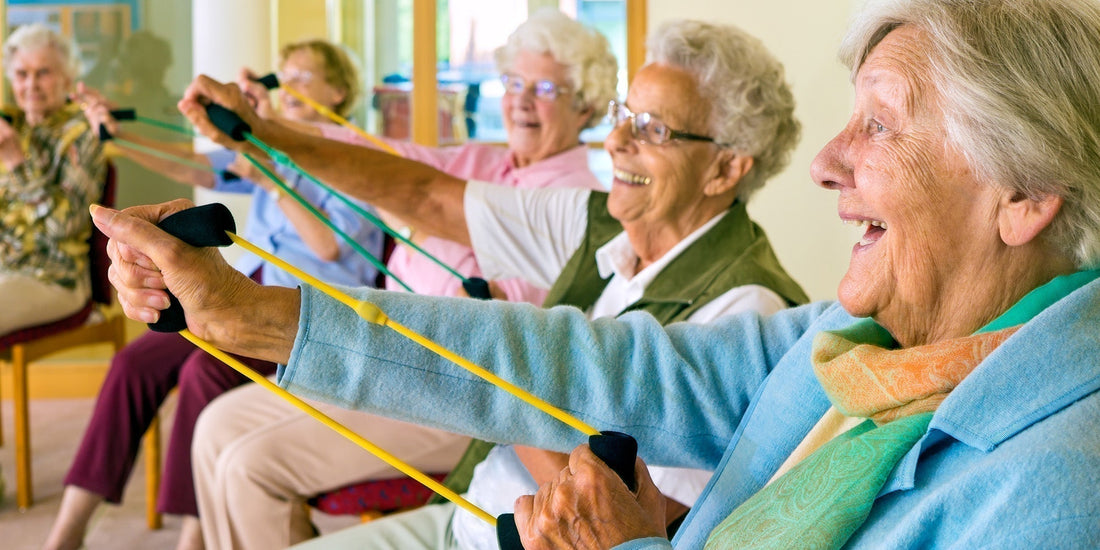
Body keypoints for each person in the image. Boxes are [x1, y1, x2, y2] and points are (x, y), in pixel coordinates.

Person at [102, 0, 1100, 547]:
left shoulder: (1059, 489)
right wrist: (253, 315)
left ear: (1022, 194)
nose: (829, 163)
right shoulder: (853, 344)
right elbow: (586, 362)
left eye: (878, 123)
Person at [139, 13, 802, 550]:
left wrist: (500, 384)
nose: (619, 142)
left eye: (653, 129)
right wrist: (265, 133)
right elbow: (423, 190)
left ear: (726, 170)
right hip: (466, 514)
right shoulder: (601, 221)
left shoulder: (749, 306)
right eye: (626, 116)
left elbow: (657, 518)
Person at [189, 10, 617, 550]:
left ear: (586, 104)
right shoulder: (483, 161)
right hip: (375, 356)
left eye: (546, 87)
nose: (521, 100)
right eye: (512, 82)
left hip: (451, 396)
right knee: (214, 429)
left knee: (246, 466)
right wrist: (263, 128)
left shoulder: (575, 200)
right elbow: (390, 161)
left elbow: (504, 335)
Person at [42, 39, 384, 550]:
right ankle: (68, 530)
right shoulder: (272, 148)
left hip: (308, 315)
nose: (286, 84)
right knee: (134, 365)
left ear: (338, 91)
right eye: (283, 73)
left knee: (203, 372)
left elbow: (331, 247)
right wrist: (118, 135)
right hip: (245, 293)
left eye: (303, 77)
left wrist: (271, 176)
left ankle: (194, 536)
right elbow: (194, 167)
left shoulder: (355, 158)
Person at [0, 24, 106, 337]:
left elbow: (65, 226)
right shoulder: (11, 126)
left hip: (56, 279)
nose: (31, 84)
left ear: (67, 79)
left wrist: (17, 164)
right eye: (21, 74)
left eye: (43, 72)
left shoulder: (83, 136)